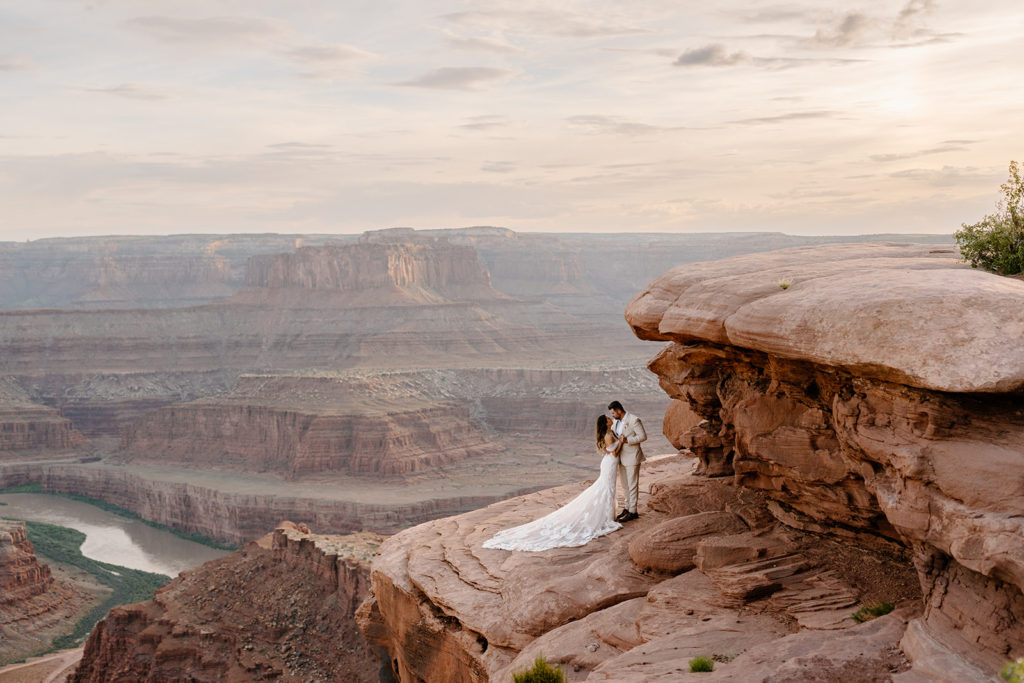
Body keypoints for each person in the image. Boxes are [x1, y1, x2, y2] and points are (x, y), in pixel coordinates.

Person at [481, 415, 623, 552]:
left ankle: (607, 515)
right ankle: (606, 517)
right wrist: (621, 442)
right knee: (606, 488)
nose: (610, 419)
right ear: (605, 423)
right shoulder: (608, 436)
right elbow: (614, 454)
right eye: (608, 419)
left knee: (607, 488)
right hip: (609, 464)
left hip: (608, 464)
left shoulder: (610, 432)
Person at [608, 400, 646, 522]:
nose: (612, 416)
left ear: (619, 410)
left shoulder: (634, 420)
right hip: (621, 457)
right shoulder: (616, 422)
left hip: (632, 456)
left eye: (613, 413)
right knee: (625, 485)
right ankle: (627, 507)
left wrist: (627, 440)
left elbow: (643, 436)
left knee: (632, 484)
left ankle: (633, 511)